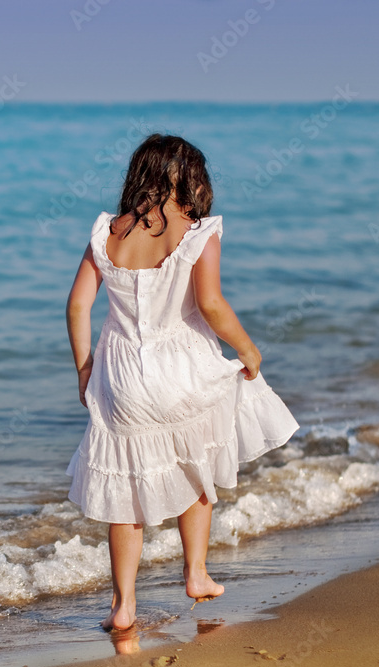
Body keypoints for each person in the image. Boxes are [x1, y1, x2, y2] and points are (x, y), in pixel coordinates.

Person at [64, 133, 299, 632]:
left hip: (122, 378)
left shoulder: (109, 233)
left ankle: (124, 605)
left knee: (126, 494)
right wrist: (248, 350)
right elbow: (211, 305)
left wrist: (85, 369)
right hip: (183, 370)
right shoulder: (195, 232)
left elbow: (79, 305)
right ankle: (195, 573)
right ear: (190, 178)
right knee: (198, 466)